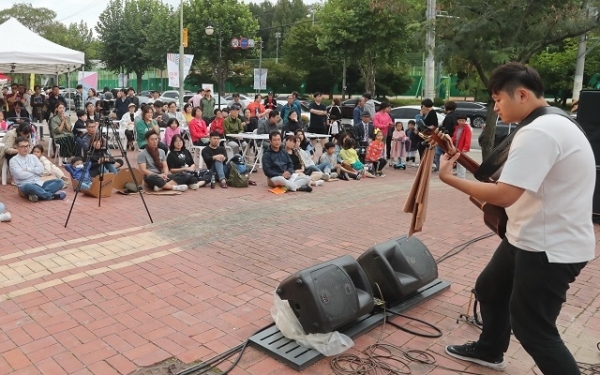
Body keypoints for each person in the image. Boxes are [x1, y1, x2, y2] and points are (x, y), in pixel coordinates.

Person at [440, 62, 595, 374]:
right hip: (528, 236)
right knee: (489, 288)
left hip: (549, 247)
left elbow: (505, 195)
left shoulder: (539, 131)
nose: (495, 107)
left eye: (498, 99)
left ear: (522, 94)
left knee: (534, 329)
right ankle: (489, 350)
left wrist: (449, 179)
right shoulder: (554, 121)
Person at [9, 136, 66, 202]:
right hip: (25, 185)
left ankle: (37, 195)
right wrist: (35, 172)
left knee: (60, 182)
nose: (26, 148)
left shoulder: (33, 157)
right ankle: (51, 196)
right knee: (29, 186)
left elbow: (41, 170)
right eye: (22, 147)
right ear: (17, 147)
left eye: (27, 146)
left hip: (39, 183)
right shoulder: (13, 161)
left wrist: (28, 170)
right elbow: (20, 175)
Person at [450, 114, 472, 179]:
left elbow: (468, 139)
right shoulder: (457, 128)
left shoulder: (467, 129)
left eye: (463, 120)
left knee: (461, 163)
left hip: (462, 148)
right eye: (459, 120)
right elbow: (454, 137)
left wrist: (465, 148)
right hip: (457, 147)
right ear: (457, 121)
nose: (461, 122)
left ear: (465, 121)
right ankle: (459, 176)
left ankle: (461, 177)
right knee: (458, 162)